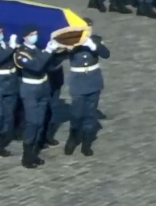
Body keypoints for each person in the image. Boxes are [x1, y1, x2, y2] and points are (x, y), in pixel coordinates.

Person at [15, 29, 60, 168]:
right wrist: (48, 51)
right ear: (24, 37)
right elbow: (36, 66)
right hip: (30, 91)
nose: (34, 37)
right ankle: (26, 157)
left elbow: (50, 66)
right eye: (31, 35)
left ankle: (34, 153)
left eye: (35, 34)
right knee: (32, 122)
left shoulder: (39, 50)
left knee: (40, 123)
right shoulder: (20, 53)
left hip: (43, 88)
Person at [64, 30, 109, 157]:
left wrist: (93, 46)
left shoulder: (95, 40)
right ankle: (72, 139)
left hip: (93, 82)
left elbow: (106, 54)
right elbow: (60, 55)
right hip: (78, 83)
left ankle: (86, 144)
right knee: (77, 114)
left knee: (90, 114)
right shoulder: (71, 42)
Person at [0, 27, 16, 157]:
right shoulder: (8, 47)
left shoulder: (5, 43)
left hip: (10, 83)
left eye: (1, 31)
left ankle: (3, 141)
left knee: (8, 115)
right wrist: (11, 48)